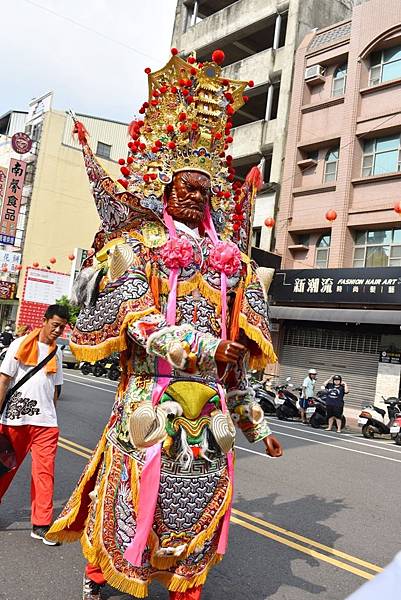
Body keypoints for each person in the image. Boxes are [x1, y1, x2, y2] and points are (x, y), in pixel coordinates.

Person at [46, 49, 283, 600]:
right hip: (149, 402)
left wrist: (259, 427)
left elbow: (238, 361)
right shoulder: (139, 246)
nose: (195, 195)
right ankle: (101, 574)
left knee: (201, 506)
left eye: (204, 188)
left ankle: (185, 589)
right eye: (185, 186)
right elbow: (138, 320)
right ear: (165, 188)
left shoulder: (232, 259)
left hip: (211, 414)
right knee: (130, 499)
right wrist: (203, 349)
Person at [0, 304, 68, 544]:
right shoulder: (19, 345)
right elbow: (4, 380)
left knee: (44, 473)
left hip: (46, 424)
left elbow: (55, 389)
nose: (58, 330)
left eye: (62, 327)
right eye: (55, 325)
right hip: (14, 419)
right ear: (44, 320)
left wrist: (52, 414)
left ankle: (41, 524)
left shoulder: (57, 352)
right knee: (4, 470)